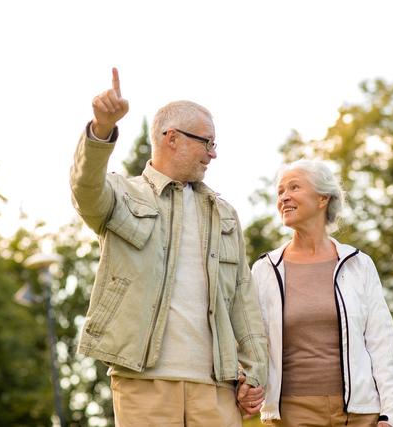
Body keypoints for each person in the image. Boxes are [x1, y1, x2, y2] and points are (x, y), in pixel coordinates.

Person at [70, 68, 267, 426]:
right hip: (144, 382)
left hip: (216, 386)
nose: (213, 154)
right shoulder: (122, 195)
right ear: (172, 138)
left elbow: (242, 297)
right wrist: (101, 130)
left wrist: (255, 372)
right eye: (206, 142)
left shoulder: (225, 214)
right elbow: (84, 188)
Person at [249, 159, 393, 427]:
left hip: (360, 413)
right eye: (280, 191)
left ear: (323, 198)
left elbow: (381, 344)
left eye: (294, 187)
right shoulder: (265, 270)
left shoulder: (358, 264)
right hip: (292, 413)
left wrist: (391, 414)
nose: (284, 197)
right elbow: (252, 343)